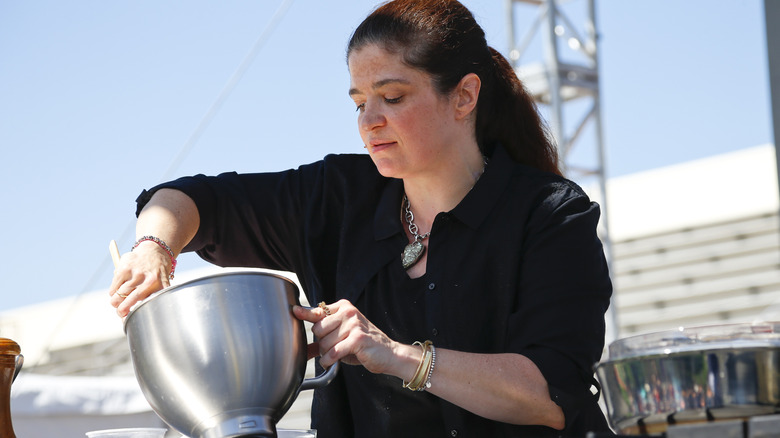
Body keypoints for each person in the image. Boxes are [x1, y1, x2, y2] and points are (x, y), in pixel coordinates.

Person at [108, 0, 614, 436]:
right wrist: (155, 246)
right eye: (358, 103)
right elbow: (189, 199)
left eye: (392, 98)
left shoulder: (549, 214)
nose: (369, 123)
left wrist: (397, 355)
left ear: (464, 96)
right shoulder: (337, 196)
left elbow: (549, 394)